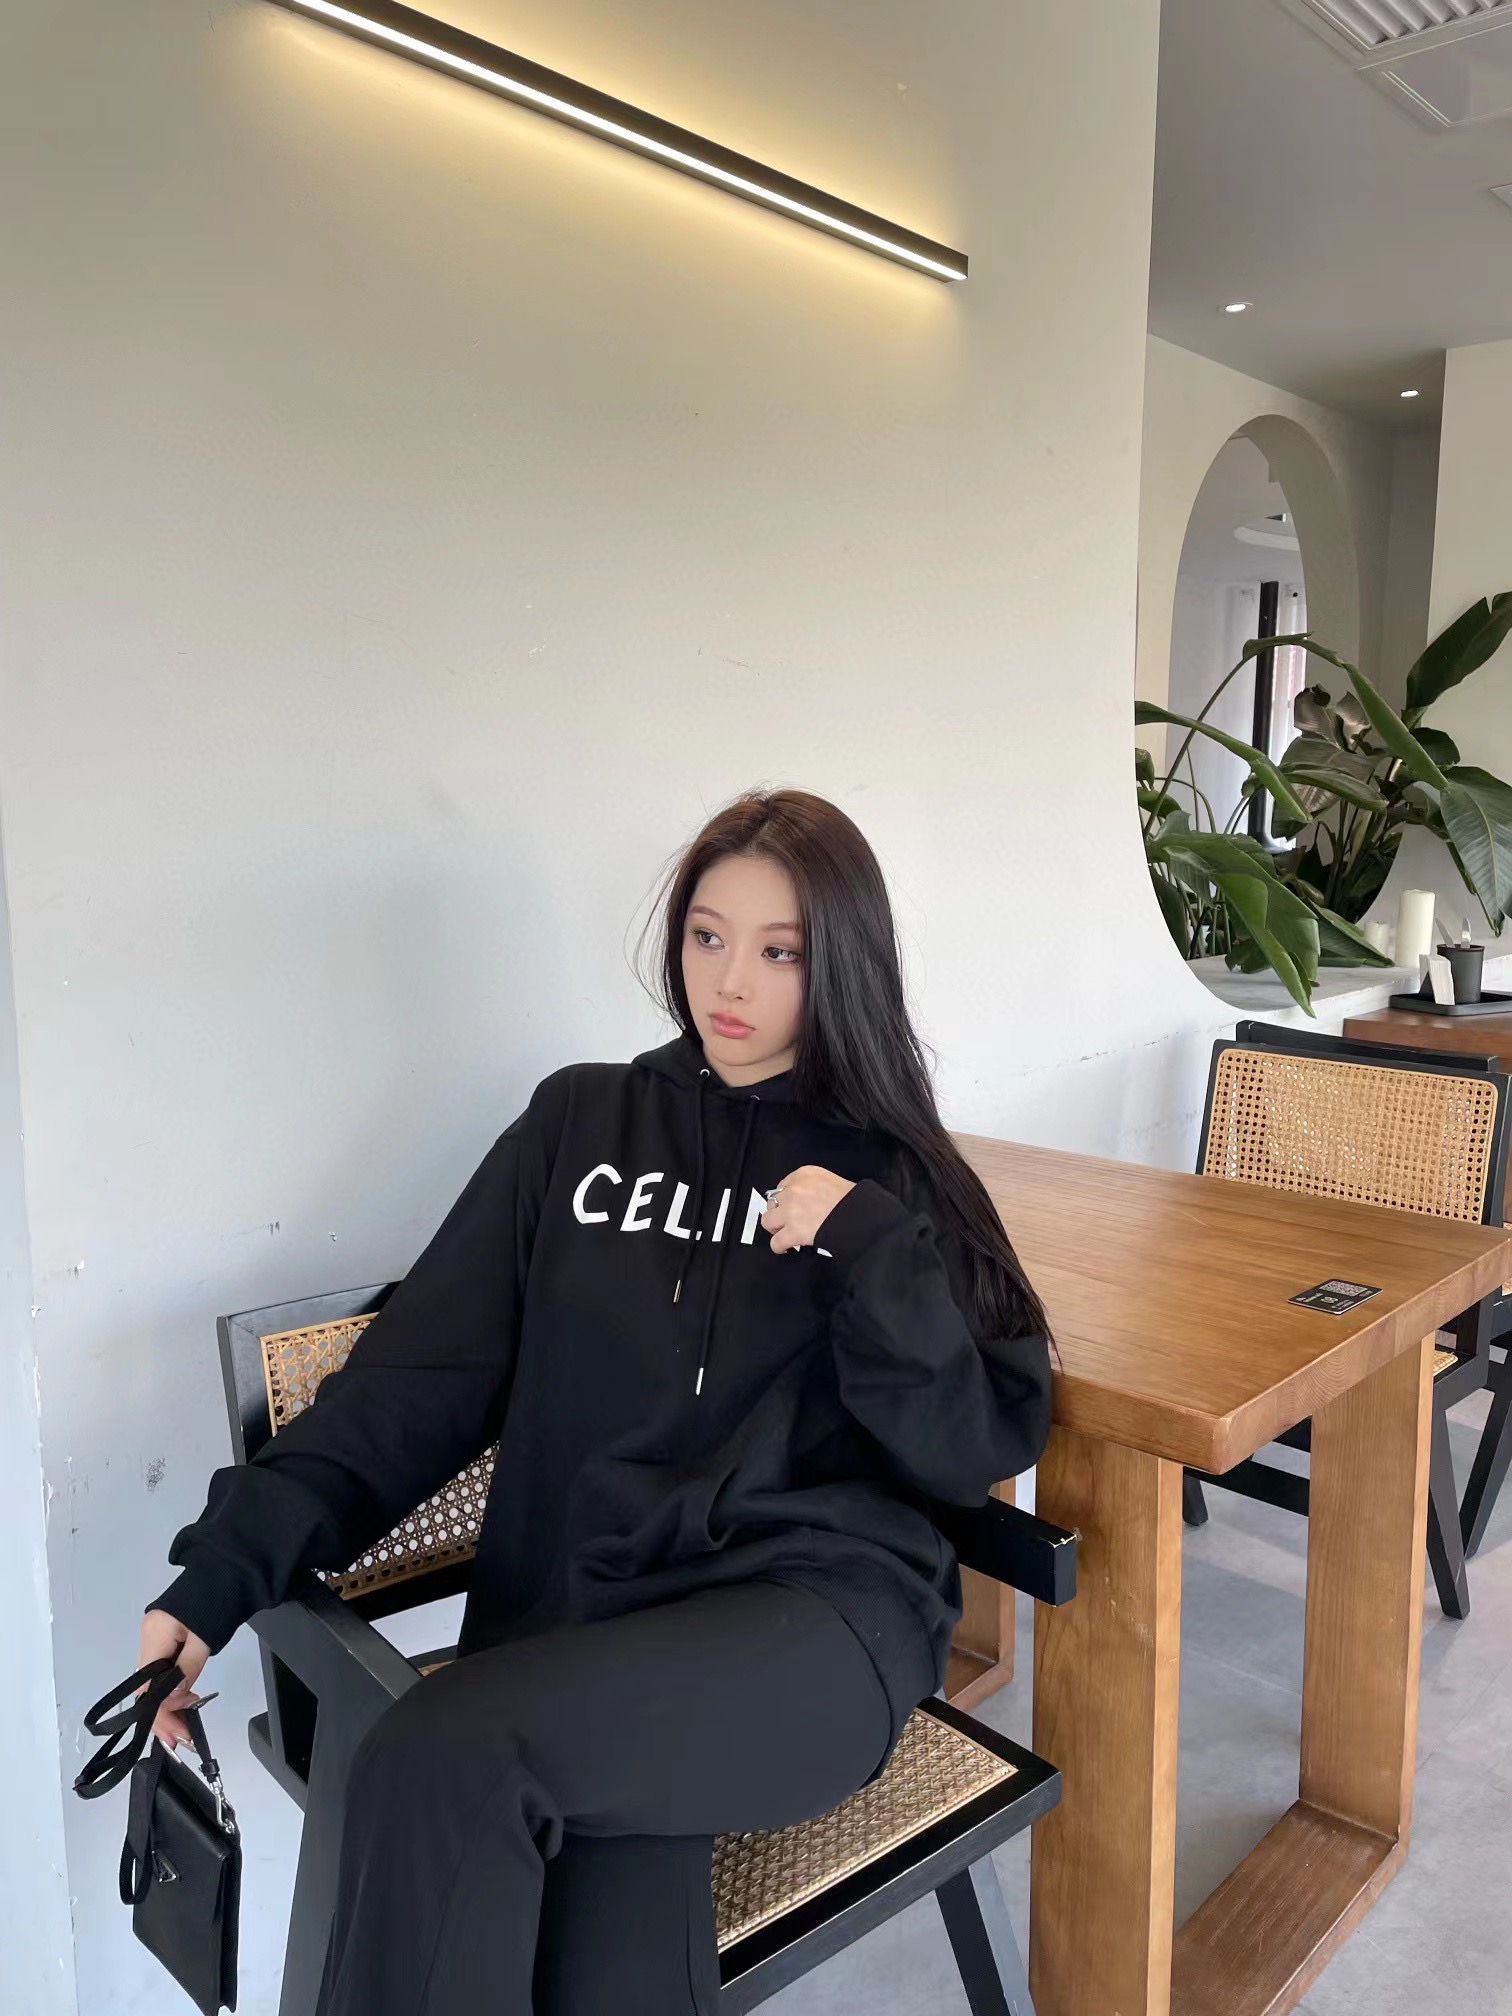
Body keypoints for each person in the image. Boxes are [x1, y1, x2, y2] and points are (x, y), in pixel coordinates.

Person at [137, 786, 1054, 2016]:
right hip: (586, 1625)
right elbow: (413, 1385)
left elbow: (968, 1444)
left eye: (781, 952)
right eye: (708, 936)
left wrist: (872, 1249)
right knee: (594, 1940)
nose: (731, 982)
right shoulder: (580, 1124)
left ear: (842, 964)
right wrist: (217, 1579)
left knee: (439, 1751)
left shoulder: (888, 1172)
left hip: (817, 1623)